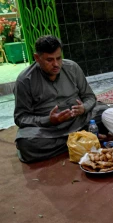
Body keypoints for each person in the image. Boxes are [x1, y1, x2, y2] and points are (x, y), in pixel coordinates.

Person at [13, 35, 107, 163]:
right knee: (27, 144)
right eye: (49, 60)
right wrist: (49, 120)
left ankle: (80, 139)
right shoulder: (25, 80)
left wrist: (83, 108)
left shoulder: (72, 68)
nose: (56, 64)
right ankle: (84, 139)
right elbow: (21, 117)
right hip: (48, 130)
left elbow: (89, 97)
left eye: (58, 58)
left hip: (78, 121)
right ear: (37, 58)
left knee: (107, 113)